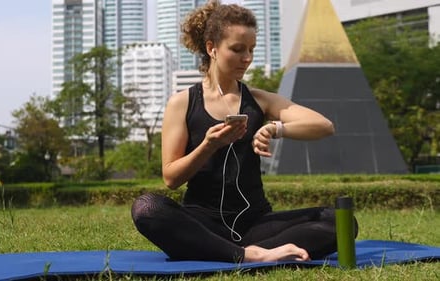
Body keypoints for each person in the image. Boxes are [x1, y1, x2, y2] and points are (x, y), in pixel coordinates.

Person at [131, 0, 357, 263]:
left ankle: (239, 253)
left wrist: (276, 128)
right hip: (203, 223)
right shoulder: (182, 103)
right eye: (237, 49)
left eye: (251, 49)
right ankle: (250, 255)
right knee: (147, 208)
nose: (247, 58)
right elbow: (171, 178)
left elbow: (323, 125)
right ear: (211, 48)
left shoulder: (260, 100)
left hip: (256, 224)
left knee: (340, 222)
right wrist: (208, 145)